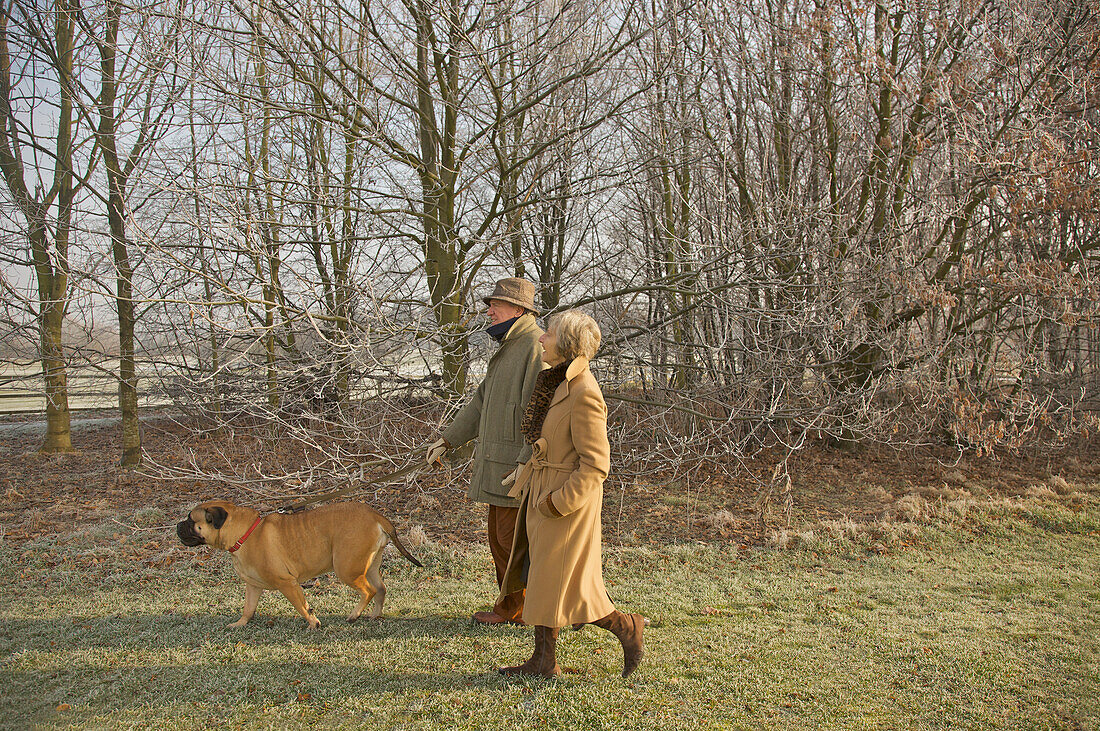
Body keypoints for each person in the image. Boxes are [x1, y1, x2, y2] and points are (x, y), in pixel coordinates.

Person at [497, 309, 645, 678]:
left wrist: (557, 502)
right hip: (543, 494)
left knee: (571, 589)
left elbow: (596, 464)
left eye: (548, 334)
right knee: (545, 580)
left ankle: (627, 627)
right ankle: (544, 662)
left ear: (566, 345)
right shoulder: (559, 382)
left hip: (565, 505)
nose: (542, 339)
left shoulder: (584, 392)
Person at [424, 278, 544, 625]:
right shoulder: (509, 347)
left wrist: (526, 461)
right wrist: (447, 440)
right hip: (497, 466)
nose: (489, 311)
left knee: (513, 543)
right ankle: (513, 607)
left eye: (497, 304)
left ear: (518, 310)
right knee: (500, 540)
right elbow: (479, 404)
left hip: (514, 470)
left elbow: (540, 411)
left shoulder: (533, 347)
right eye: (491, 304)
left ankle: (520, 610)